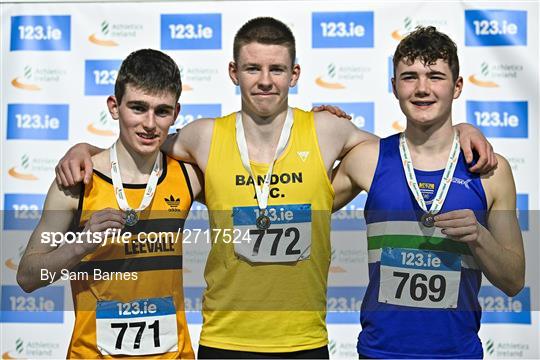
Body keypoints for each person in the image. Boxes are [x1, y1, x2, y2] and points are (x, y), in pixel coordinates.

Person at [55, 18, 496, 359]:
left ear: (295, 73)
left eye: (276, 69)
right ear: (234, 72)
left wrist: (459, 127)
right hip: (224, 339)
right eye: (252, 68)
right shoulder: (203, 137)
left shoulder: (328, 131)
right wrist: (86, 147)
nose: (265, 80)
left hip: (302, 340)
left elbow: (411, 148)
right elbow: (139, 143)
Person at [332, 26, 525, 359]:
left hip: (457, 353)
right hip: (380, 353)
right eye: (409, 77)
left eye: (435, 76)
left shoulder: (491, 170)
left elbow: (513, 280)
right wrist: (321, 130)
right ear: (394, 86)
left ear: (457, 86)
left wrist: (479, 236)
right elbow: (299, 204)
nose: (422, 89)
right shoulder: (367, 159)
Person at [17, 49, 202, 359]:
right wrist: (79, 246)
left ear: (176, 113)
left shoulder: (188, 175)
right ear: (114, 107)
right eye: (138, 108)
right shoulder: (78, 180)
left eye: (161, 111)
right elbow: (27, 277)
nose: (149, 124)